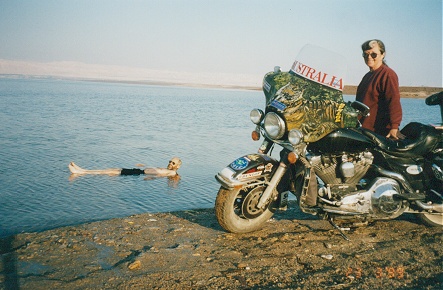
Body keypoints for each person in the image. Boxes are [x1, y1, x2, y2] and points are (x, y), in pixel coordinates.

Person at [356, 39, 404, 139]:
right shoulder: (367, 76)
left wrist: (394, 127)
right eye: (366, 54)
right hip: (362, 130)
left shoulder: (388, 74)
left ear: (383, 55)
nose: (369, 57)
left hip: (378, 134)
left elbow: (393, 101)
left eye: (374, 54)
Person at [68, 157, 182, 177]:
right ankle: (83, 170)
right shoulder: (167, 170)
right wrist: (143, 165)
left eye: (173, 163)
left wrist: (151, 178)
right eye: (170, 161)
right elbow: (156, 170)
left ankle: (81, 172)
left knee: (109, 172)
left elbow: (159, 175)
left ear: (177, 166)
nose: (170, 164)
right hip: (138, 171)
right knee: (111, 170)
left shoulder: (172, 173)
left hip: (138, 174)